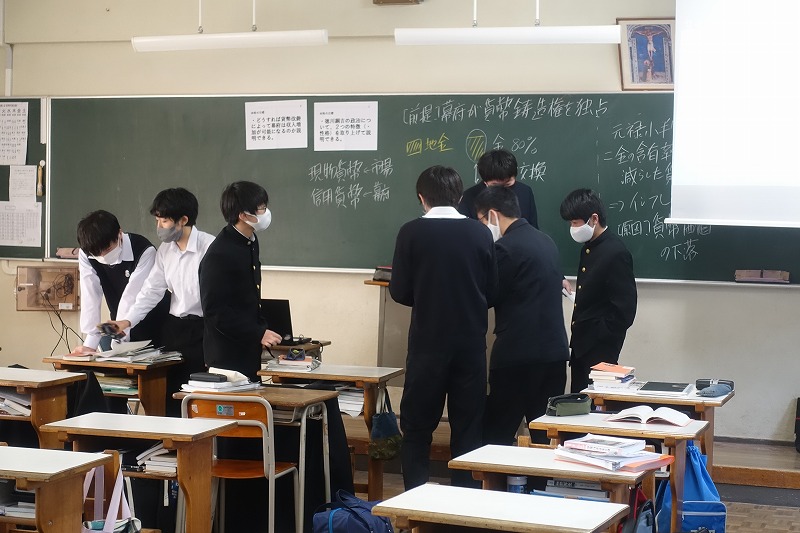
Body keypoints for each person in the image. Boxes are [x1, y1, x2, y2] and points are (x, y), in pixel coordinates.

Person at [390, 165, 498, 490]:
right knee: (468, 430)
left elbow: (399, 291)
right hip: (470, 346)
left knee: (417, 429)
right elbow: (492, 292)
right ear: (460, 196)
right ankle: (462, 505)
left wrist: (426, 297)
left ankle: (414, 502)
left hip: (427, 345)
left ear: (422, 198)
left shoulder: (410, 232)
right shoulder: (481, 233)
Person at [103, 188, 215, 416]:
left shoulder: (210, 247)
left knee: (198, 403)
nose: (159, 226)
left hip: (205, 330)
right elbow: (150, 291)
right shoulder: (165, 250)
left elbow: (218, 298)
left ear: (183, 220)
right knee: (170, 399)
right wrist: (127, 321)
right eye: (157, 220)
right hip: (175, 330)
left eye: (164, 221)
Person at [474, 186, 569, 446]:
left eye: (481, 220)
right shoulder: (547, 242)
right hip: (554, 354)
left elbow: (488, 295)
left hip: (518, 356)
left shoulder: (505, 248)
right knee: (544, 436)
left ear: (493, 215)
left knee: (496, 435)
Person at [199, 181, 282, 381]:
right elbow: (215, 311)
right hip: (227, 354)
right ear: (243, 215)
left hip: (247, 347)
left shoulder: (249, 241)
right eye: (261, 208)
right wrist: (257, 332)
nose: (266, 213)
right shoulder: (219, 254)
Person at [559, 188, 637, 393]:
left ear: (594, 219)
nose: (573, 228)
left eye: (575, 222)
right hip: (581, 346)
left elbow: (624, 310)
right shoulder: (589, 247)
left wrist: (598, 337)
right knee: (579, 401)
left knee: (594, 405)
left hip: (599, 349)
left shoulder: (615, 251)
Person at [71, 210, 168, 355]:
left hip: (154, 319)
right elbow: (90, 294)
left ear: (119, 233)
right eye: (97, 254)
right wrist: (90, 343)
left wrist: (119, 338)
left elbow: (132, 296)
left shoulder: (143, 251)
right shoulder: (87, 253)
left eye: (108, 249)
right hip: (120, 322)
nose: (103, 257)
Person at [458, 148, 539, 228]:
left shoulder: (525, 191)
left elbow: (533, 227)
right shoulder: (469, 196)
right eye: (496, 185)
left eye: (507, 184)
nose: (502, 190)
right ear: (485, 181)